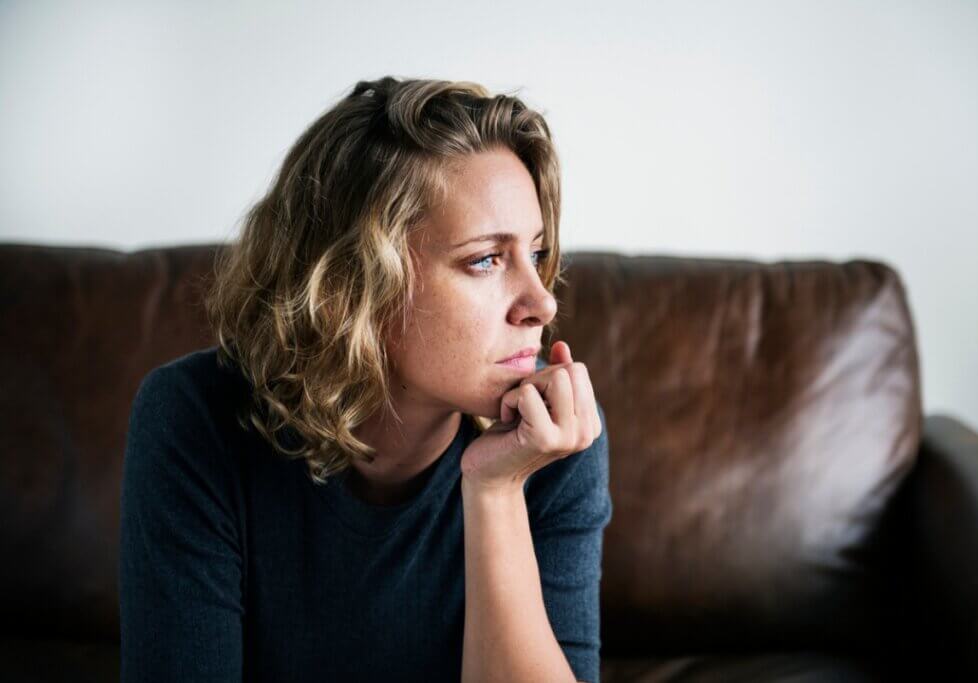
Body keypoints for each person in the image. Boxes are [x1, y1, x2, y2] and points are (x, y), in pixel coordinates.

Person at [118, 76, 612, 683]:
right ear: (354, 286)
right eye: (485, 259)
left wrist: (495, 492)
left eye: (535, 255)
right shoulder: (194, 418)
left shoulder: (553, 437)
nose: (542, 302)